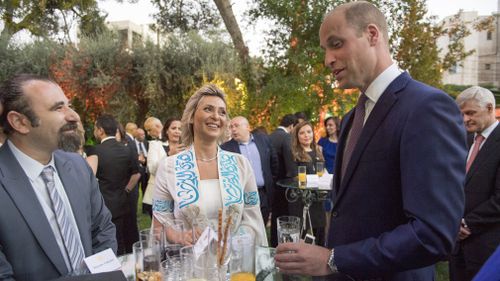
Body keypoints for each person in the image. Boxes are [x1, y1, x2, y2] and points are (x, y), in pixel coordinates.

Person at [275, 2, 467, 280]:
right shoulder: (353, 116)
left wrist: (333, 259)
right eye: (325, 50)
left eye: (336, 44)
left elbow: (432, 234)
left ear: (372, 35)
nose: (328, 59)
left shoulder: (427, 107)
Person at [0, 74, 116, 280]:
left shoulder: (78, 166)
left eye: (69, 105)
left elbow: (102, 230)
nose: (74, 116)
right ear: (19, 122)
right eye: (58, 108)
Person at [152, 84, 267, 246]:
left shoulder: (241, 164)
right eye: (208, 109)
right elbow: (159, 225)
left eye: (222, 112)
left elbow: (253, 217)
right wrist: (180, 237)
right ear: (191, 117)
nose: (216, 116)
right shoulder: (169, 167)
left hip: (234, 263)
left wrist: (231, 241)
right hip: (189, 263)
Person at [449, 86, 500, 281]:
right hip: (457, 248)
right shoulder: (464, 140)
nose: (464, 119)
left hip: (487, 249)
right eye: (461, 114)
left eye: (471, 113)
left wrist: (467, 224)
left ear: (489, 108)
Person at [92, 114, 141, 255]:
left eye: (95, 128)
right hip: (125, 201)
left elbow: (89, 177)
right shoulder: (127, 148)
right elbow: (136, 173)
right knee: (129, 239)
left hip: (105, 204)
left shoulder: (95, 151)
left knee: (113, 243)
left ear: (100, 130)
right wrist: (126, 190)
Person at [221, 116, 279, 226]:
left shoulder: (263, 140)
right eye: (231, 127)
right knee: (246, 228)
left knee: (262, 226)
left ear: (247, 127)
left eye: (236, 126)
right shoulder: (225, 149)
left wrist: (270, 183)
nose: (233, 129)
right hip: (242, 196)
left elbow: (274, 163)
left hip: (263, 194)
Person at [289, 121, 326, 246]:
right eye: (302, 133)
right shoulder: (294, 153)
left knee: (320, 232)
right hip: (302, 201)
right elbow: (295, 176)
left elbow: (322, 172)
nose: (306, 135)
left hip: (317, 200)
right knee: (302, 235)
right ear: (297, 136)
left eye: (309, 132)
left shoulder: (318, 150)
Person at [268, 113, 297, 247]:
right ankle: (284, 245)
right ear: (291, 126)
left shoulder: (270, 136)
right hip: (283, 185)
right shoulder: (286, 137)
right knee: (284, 217)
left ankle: (274, 244)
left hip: (271, 184)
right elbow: (290, 164)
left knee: (275, 217)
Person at [143, 117, 167, 217]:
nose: (148, 133)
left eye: (149, 130)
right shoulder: (154, 144)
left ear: (157, 127)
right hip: (157, 192)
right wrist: (168, 155)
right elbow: (152, 169)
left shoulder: (177, 143)